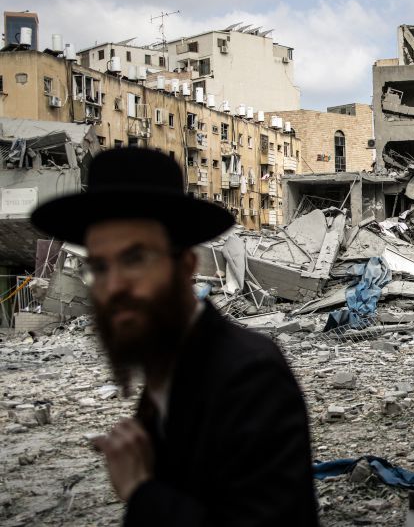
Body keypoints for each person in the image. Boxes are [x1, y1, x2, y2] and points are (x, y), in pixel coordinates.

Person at [31, 148, 318, 526]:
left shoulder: (249, 375)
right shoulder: (166, 369)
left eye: (135, 259)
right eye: (99, 266)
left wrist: (139, 491)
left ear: (186, 266)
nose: (113, 285)